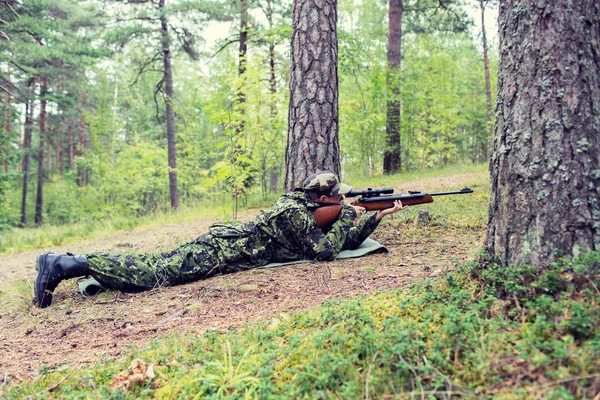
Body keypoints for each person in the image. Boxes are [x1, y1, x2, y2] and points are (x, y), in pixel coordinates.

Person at [34, 171, 405, 308]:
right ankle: (67, 264)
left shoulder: (301, 205)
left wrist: (374, 216)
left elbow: (339, 241)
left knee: (156, 264)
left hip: (223, 246)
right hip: (221, 250)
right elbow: (324, 252)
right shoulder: (294, 212)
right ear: (323, 199)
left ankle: (70, 261)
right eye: (338, 199)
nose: (343, 203)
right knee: (156, 274)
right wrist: (350, 215)